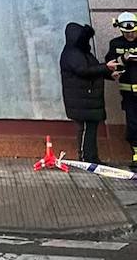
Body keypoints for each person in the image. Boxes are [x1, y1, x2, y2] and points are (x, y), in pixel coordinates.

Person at [59, 22, 120, 164]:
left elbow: (91, 70)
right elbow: (83, 70)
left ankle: (91, 157)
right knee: (86, 128)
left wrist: (109, 74)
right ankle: (86, 157)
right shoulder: (73, 54)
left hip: (87, 99)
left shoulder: (81, 53)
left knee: (90, 128)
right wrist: (106, 67)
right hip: (82, 100)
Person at [107, 11, 137, 170]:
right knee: (133, 124)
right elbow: (110, 63)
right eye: (126, 32)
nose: (130, 35)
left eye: (132, 31)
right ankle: (136, 154)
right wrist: (123, 59)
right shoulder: (116, 44)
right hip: (129, 95)